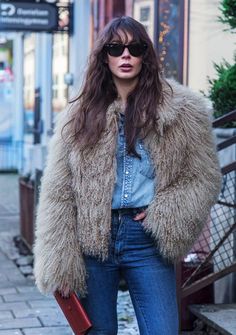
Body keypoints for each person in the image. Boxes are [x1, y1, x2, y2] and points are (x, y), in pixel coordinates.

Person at [33, 16, 222, 335]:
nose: (125, 55)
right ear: (103, 56)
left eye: (134, 48)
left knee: (162, 330)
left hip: (145, 237)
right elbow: (58, 192)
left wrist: (165, 214)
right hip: (91, 237)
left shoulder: (183, 111)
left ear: (145, 54)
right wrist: (59, 257)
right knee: (99, 331)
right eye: (115, 47)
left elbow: (203, 177)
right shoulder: (78, 116)